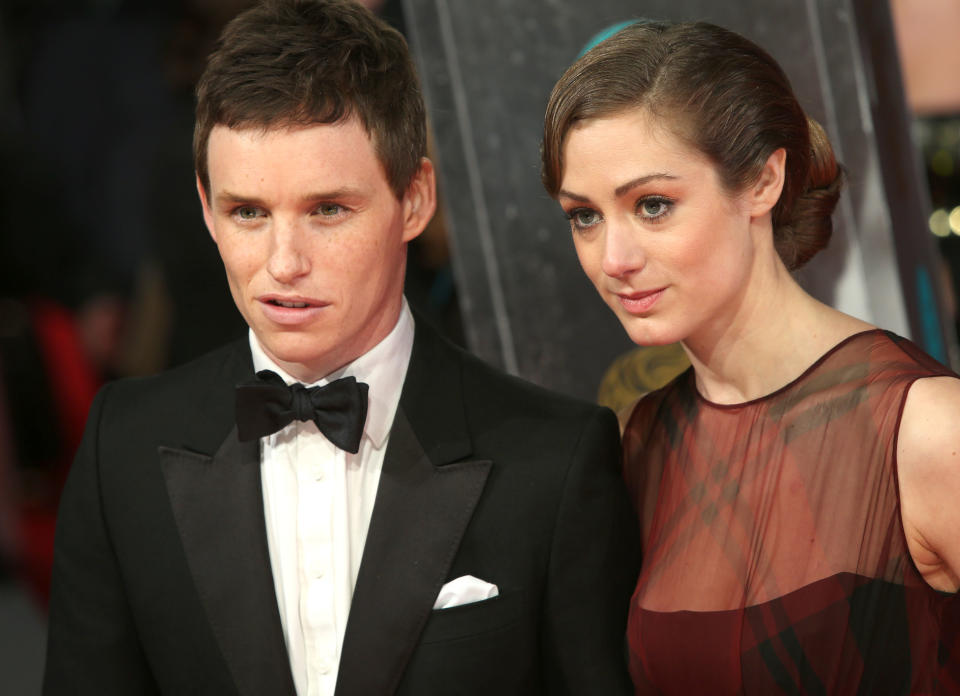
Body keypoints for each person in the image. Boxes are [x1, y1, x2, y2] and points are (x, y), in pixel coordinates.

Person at [43, 2, 640, 694]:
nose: (284, 262)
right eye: (248, 213)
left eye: (327, 210)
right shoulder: (124, 451)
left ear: (414, 200)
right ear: (206, 208)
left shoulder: (554, 462)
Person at [541, 20, 960, 695]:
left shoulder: (927, 430)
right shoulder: (642, 441)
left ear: (764, 180)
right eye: (584, 216)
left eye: (653, 205)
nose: (613, 259)